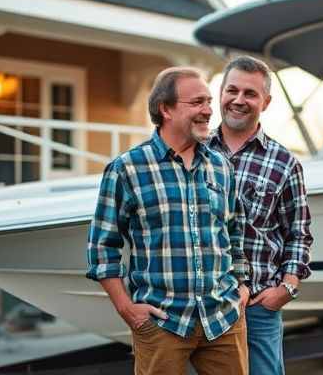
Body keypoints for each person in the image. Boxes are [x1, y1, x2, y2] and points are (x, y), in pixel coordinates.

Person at [86, 67, 251, 375]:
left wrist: (241, 286)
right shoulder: (127, 169)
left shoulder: (221, 167)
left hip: (223, 319)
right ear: (166, 109)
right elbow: (102, 247)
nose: (208, 111)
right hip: (161, 322)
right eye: (197, 102)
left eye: (208, 102)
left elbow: (233, 231)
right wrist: (126, 308)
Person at [207, 55, 313, 375]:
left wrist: (287, 288)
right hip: (201, 305)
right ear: (221, 93)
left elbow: (298, 231)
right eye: (232, 90)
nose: (238, 100)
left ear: (265, 102)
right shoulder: (192, 152)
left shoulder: (285, 163)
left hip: (257, 307)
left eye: (250, 94)